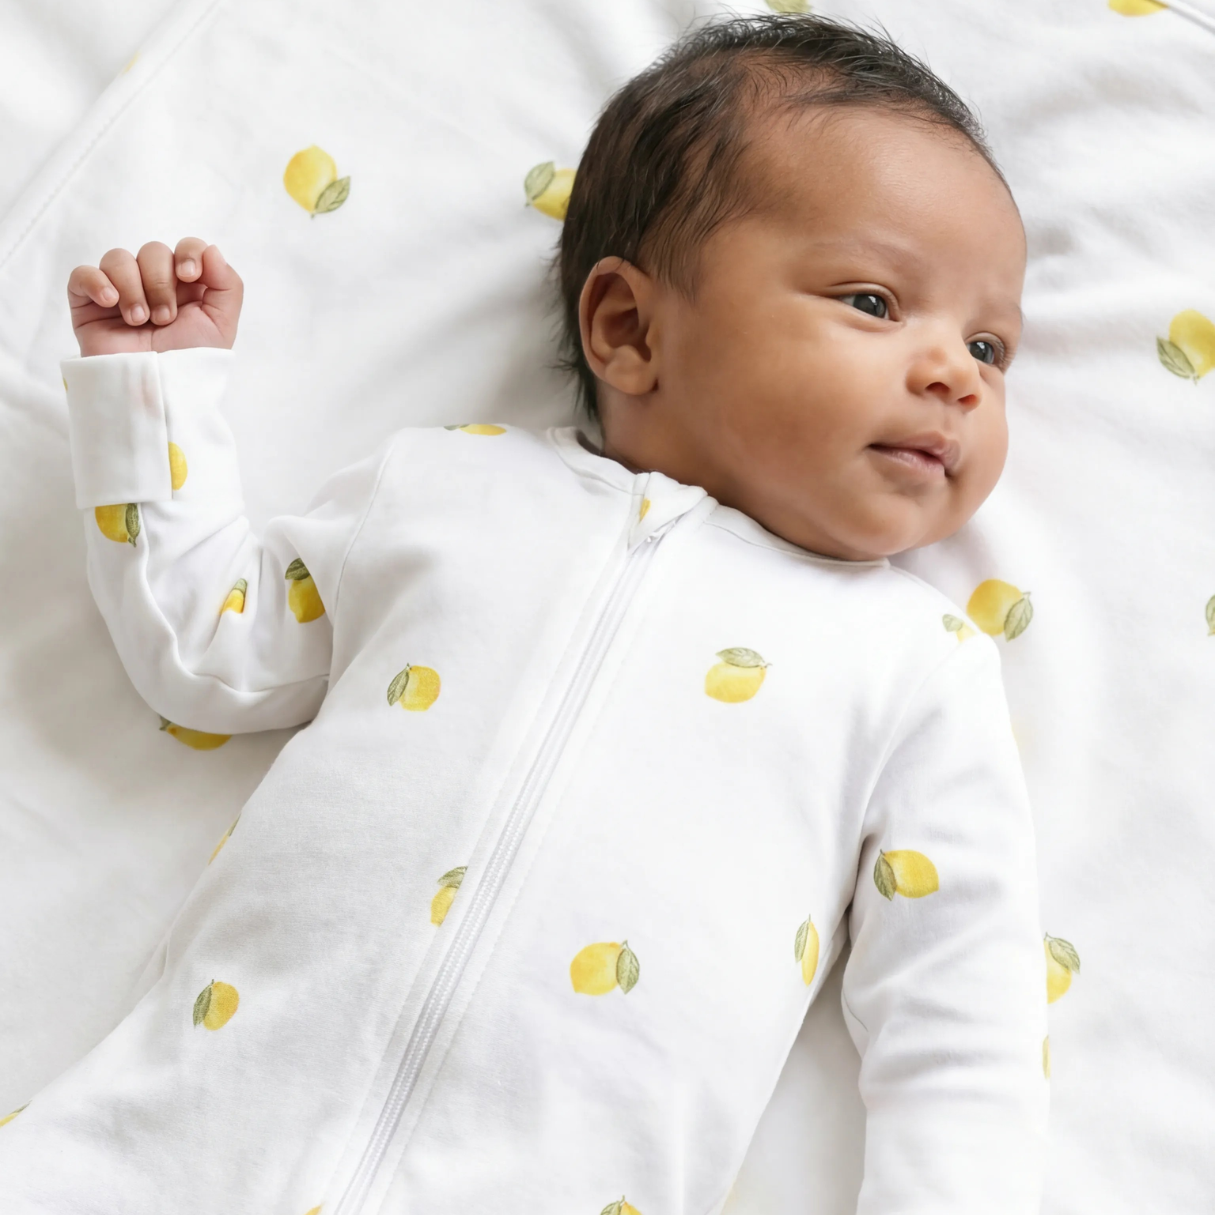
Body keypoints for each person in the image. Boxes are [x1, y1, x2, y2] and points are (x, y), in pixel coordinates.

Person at [2, 14, 1045, 1214]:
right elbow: (211, 649)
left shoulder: (917, 668)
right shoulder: (444, 489)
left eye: (990, 345)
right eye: (873, 300)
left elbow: (962, 1032)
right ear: (630, 329)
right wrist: (156, 399)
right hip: (163, 1149)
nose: (957, 375)